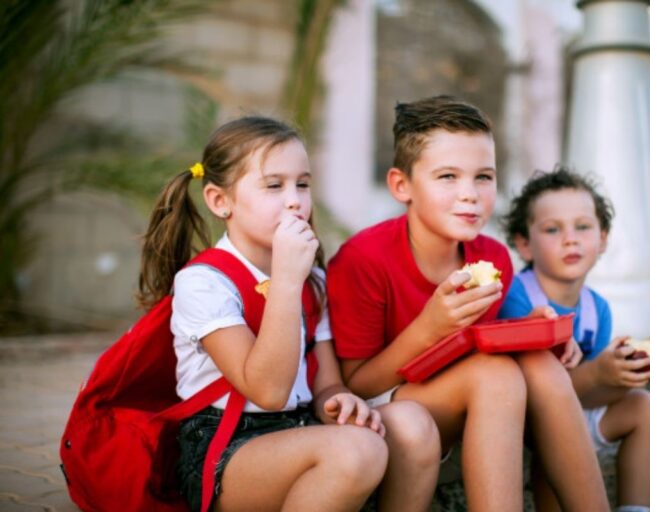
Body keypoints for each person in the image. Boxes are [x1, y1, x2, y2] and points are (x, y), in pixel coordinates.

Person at [137, 116, 441, 512]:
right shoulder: (204, 283)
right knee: (356, 451)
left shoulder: (311, 279)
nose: (295, 199)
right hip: (227, 448)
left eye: (303, 183)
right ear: (219, 200)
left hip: (300, 428)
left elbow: (327, 384)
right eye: (274, 185)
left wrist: (339, 402)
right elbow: (267, 390)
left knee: (413, 424)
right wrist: (285, 281)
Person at [327, 96, 609, 511]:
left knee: (541, 365)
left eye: (483, 177)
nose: (470, 195)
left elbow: (477, 345)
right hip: (385, 410)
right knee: (493, 376)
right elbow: (358, 384)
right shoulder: (363, 260)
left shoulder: (492, 257)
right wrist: (430, 327)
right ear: (401, 185)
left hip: (460, 397)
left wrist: (532, 330)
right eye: (447, 177)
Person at [499, 166, 650, 512]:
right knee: (557, 436)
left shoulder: (597, 309)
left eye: (583, 227)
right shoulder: (517, 298)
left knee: (645, 407)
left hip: (576, 415)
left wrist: (630, 373)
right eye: (552, 229)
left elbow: (586, 395)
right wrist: (598, 374)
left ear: (603, 238)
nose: (571, 238)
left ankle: (635, 508)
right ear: (524, 244)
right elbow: (536, 397)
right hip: (529, 427)